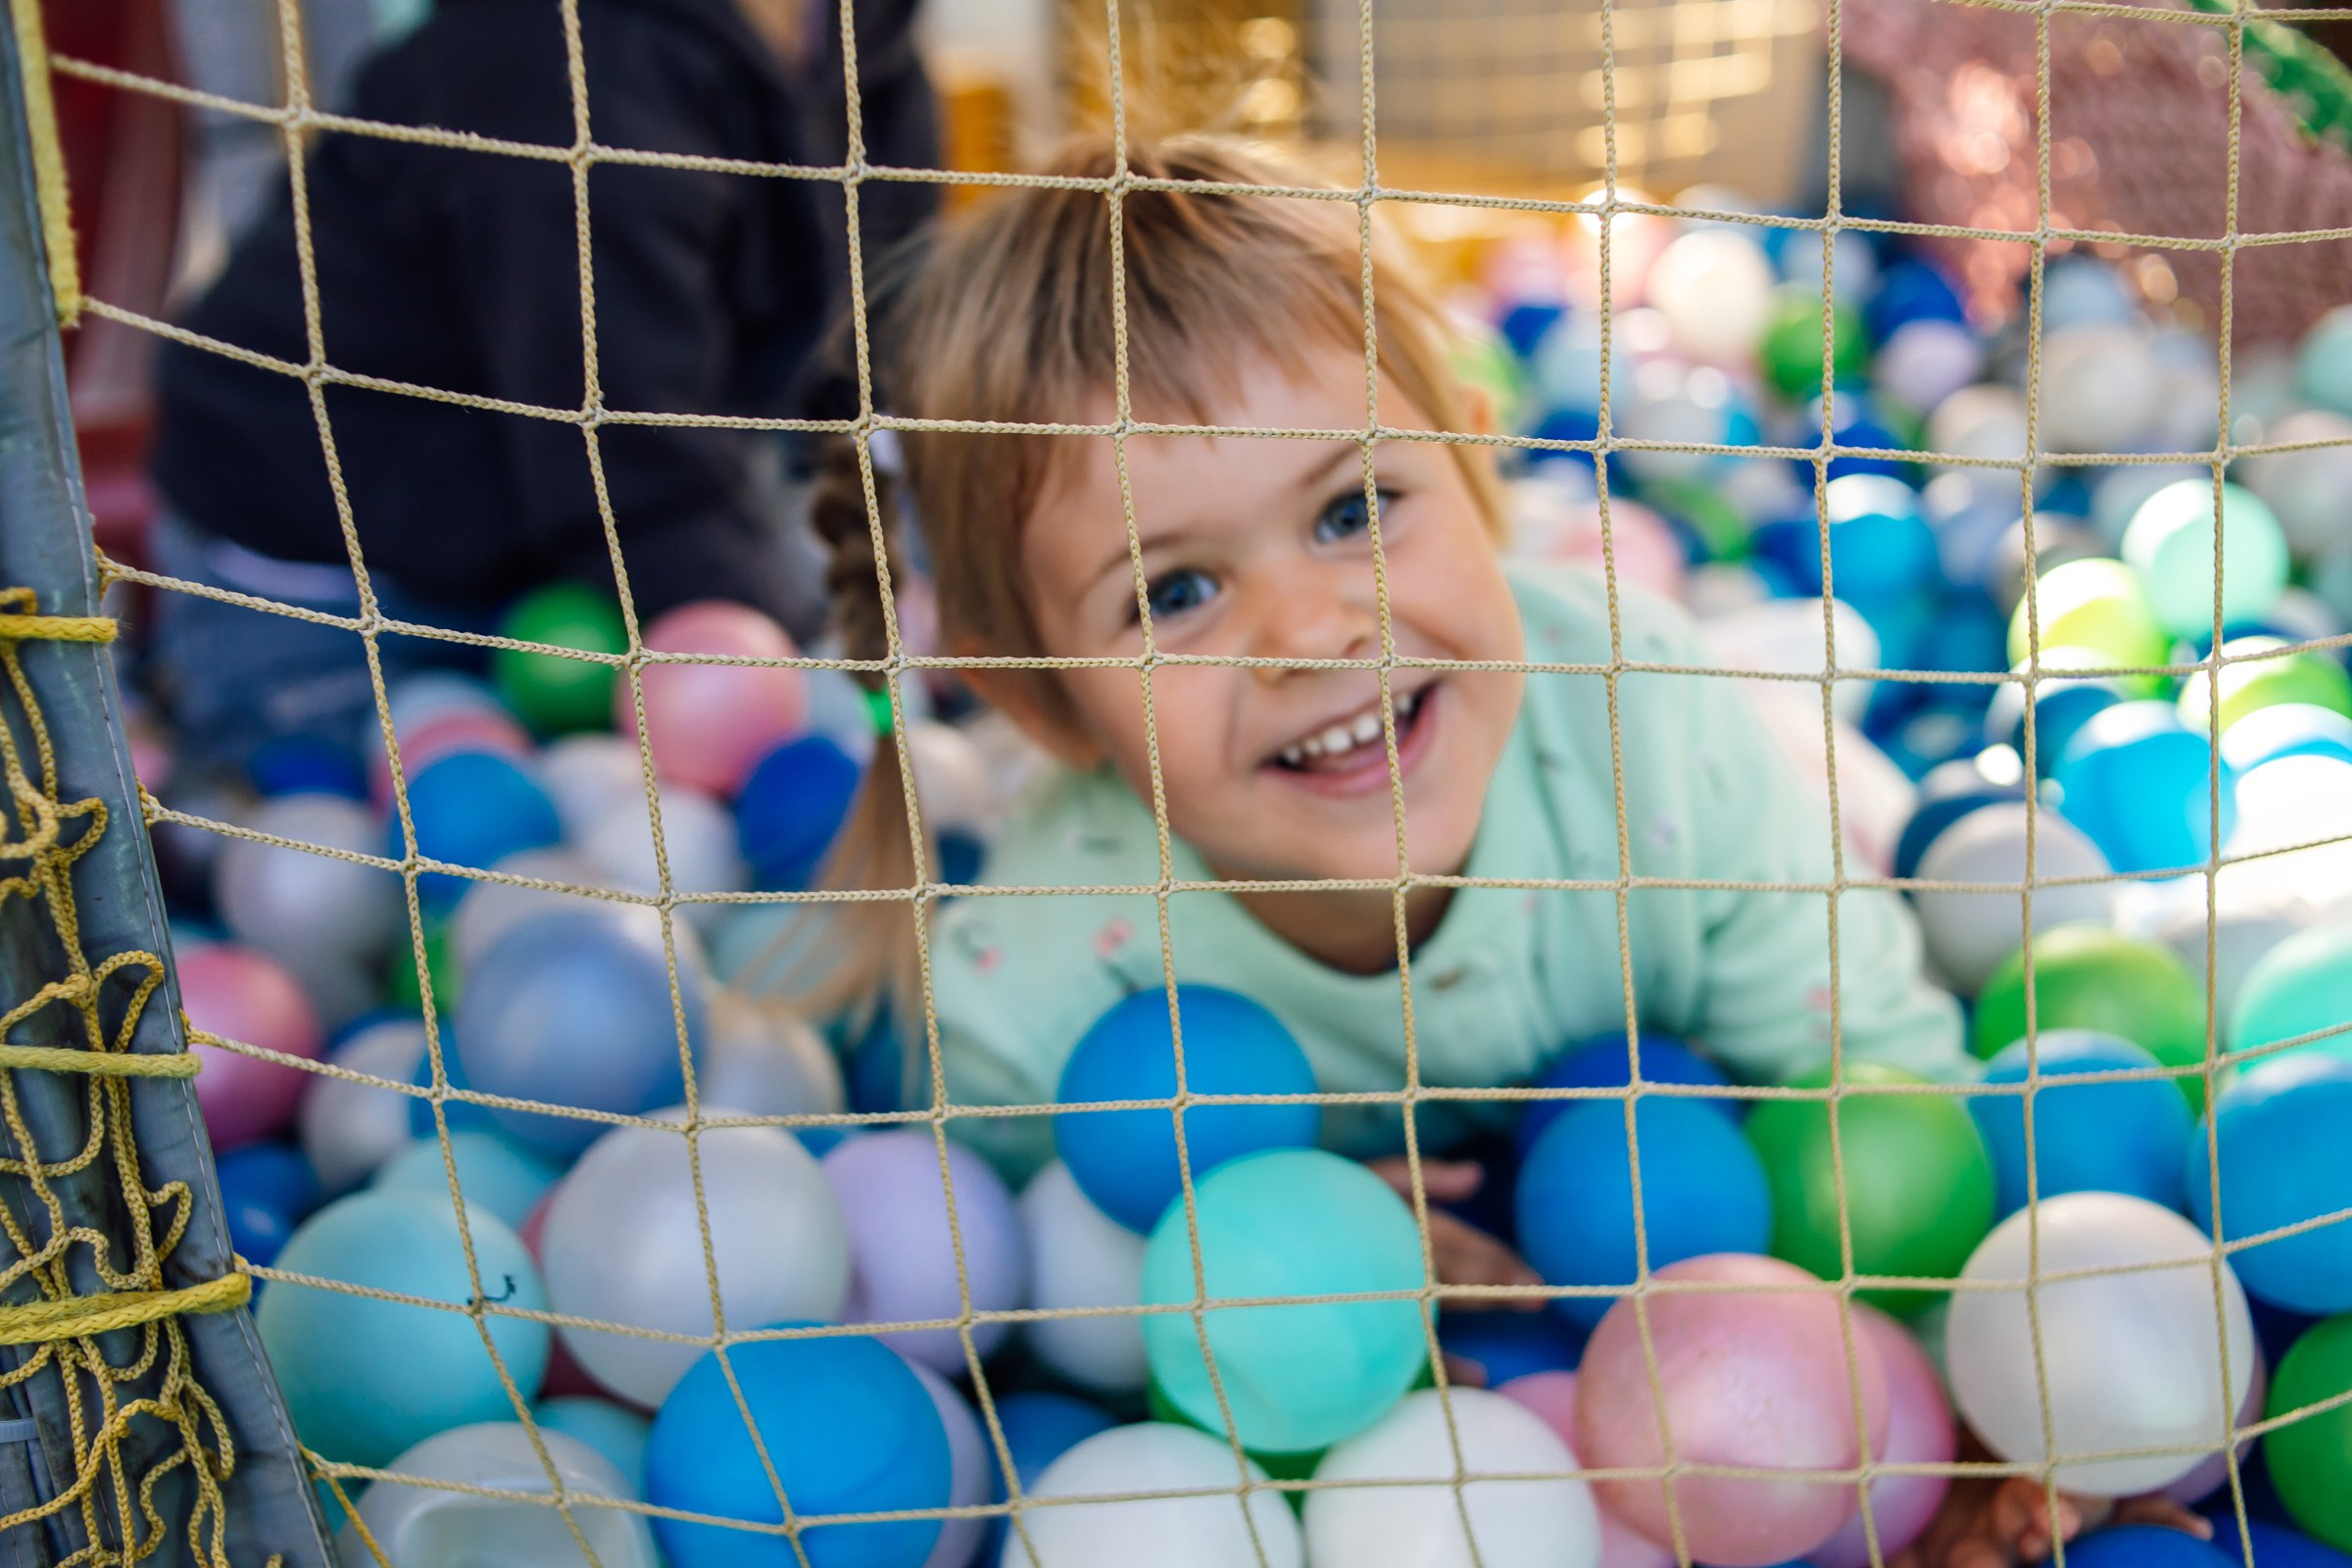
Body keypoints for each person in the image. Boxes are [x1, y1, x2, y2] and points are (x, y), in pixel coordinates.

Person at [788, 132, 2211, 1567]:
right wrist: (1258, 1279)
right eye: (1176, 591)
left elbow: (1884, 1115)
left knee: (1833, 776)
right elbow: (1015, 1314)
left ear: (1477, 470)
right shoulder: (1035, 981)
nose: (1312, 629)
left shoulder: (1647, 731)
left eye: (1358, 509)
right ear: (1046, 703)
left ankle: (1823, 699)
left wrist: (1958, 1426)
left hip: (1728, 805)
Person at [142, 0, 935, 770]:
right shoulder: (569, 67)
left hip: (585, 525)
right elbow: (624, 453)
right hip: (334, 556)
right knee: (370, 843)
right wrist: (805, 659)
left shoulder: (861, 32)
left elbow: (871, 329)